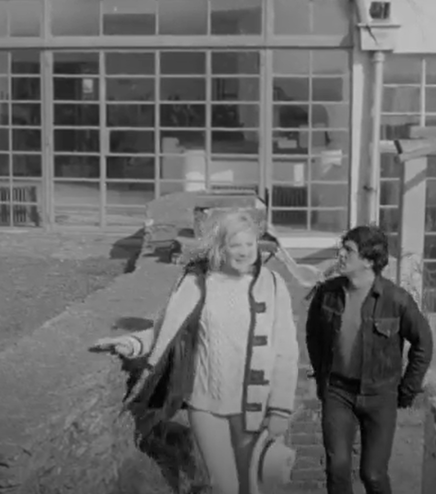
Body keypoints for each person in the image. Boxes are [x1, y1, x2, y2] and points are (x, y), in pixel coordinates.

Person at [90, 209, 299, 494]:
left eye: (250, 244)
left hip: (253, 405)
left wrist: (280, 409)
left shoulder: (272, 285)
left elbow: (286, 352)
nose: (244, 252)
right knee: (223, 485)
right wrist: (132, 344)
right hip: (205, 402)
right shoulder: (197, 282)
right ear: (220, 247)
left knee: (253, 484)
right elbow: (169, 328)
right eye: (235, 245)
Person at [305, 225, 433, 494]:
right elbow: (313, 336)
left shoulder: (396, 299)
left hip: (380, 396)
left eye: (348, 250)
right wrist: (321, 378)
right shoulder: (327, 293)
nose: (340, 254)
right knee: (337, 468)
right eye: (342, 247)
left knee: (373, 474)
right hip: (338, 393)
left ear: (369, 260)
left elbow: (423, 343)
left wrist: (407, 389)